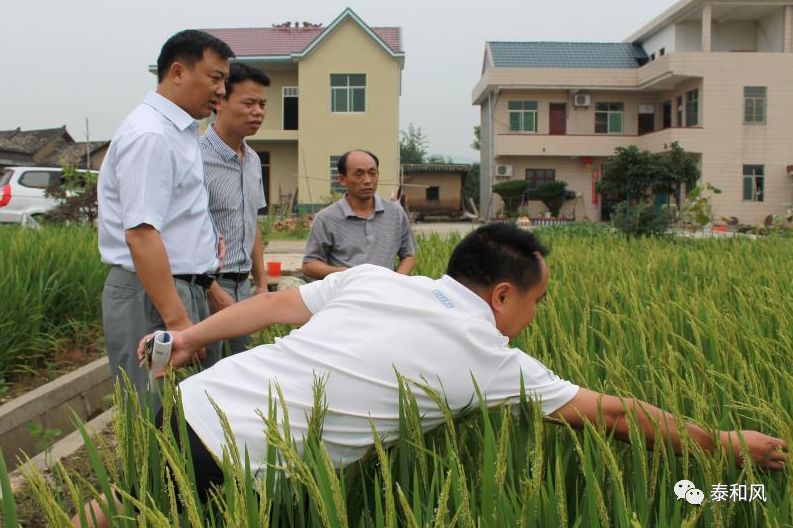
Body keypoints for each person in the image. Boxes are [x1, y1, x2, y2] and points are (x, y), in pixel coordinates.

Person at [76, 224, 787, 526]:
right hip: (238, 456)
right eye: (536, 302)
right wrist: (723, 444)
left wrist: (188, 337)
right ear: (502, 295)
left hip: (195, 405)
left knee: (123, 504)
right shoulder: (493, 361)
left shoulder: (378, 282)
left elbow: (270, 307)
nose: (534, 317)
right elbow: (615, 416)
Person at [97, 30, 234, 403]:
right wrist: (177, 322)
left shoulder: (180, 134)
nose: (222, 90)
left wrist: (209, 288)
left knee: (191, 418)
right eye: (215, 78)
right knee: (154, 418)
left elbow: (176, 226)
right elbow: (141, 233)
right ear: (177, 72)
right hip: (153, 298)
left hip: (177, 291)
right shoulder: (151, 135)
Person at [202, 62, 270, 354]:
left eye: (263, 104)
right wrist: (212, 291)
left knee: (247, 373)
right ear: (219, 102)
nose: (258, 112)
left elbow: (252, 224)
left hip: (245, 288)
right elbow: (183, 233)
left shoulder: (253, 160)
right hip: (208, 287)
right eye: (249, 103)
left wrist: (262, 284)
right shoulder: (196, 159)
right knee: (207, 377)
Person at [302, 150, 416, 280]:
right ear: (342, 179)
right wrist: (343, 273)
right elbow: (309, 265)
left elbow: (409, 255)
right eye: (359, 174)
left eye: (372, 173)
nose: (367, 180)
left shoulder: (396, 213)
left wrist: (396, 280)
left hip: (385, 292)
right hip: (345, 292)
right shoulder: (326, 218)